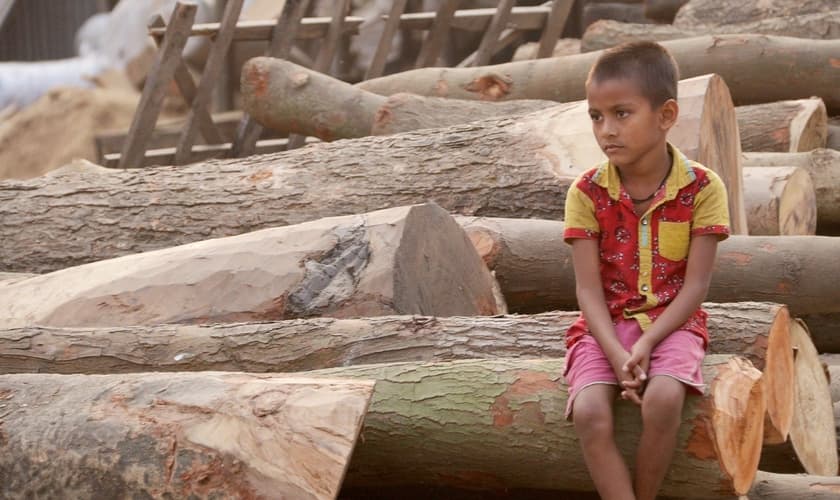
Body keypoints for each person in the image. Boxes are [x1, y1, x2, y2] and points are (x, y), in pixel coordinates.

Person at [562, 41, 731, 500]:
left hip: (673, 324)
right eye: (596, 116)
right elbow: (587, 291)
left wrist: (650, 341)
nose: (607, 130)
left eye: (622, 113)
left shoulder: (702, 188)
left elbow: (696, 286)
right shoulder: (586, 193)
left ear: (666, 114)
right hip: (603, 327)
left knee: (664, 399)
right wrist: (617, 353)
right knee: (590, 414)